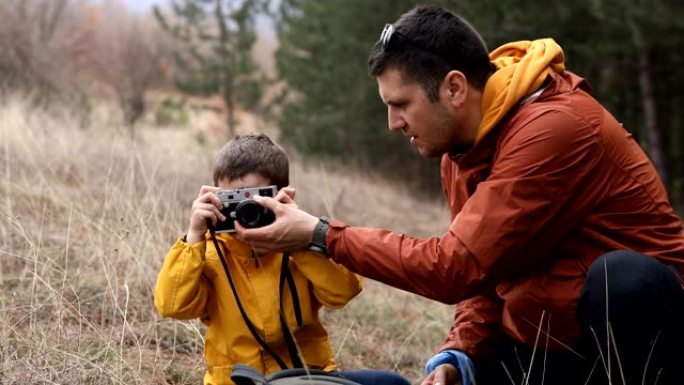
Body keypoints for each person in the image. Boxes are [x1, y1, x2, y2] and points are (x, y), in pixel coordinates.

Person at [234, 6, 684, 385]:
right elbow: (482, 276)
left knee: (622, 279)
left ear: (453, 88)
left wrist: (320, 234)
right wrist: (460, 352)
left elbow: (454, 267)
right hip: (550, 345)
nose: (394, 123)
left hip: (637, 342)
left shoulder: (555, 128)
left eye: (401, 105)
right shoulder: (461, 151)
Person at [154, 133, 411, 385]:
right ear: (215, 198)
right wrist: (194, 236)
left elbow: (343, 292)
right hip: (238, 380)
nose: (244, 213)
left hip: (306, 376)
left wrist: (300, 242)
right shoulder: (210, 252)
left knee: (392, 382)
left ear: (281, 196)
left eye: (252, 201)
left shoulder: (300, 246)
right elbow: (172, 306)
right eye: (232, 200)